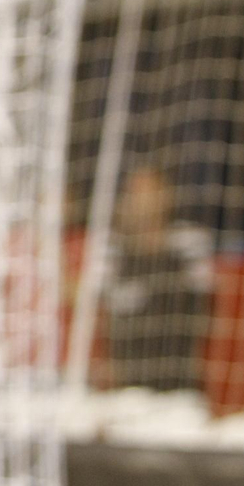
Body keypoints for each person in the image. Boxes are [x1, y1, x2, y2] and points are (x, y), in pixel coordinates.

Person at [103, 166, 215, 393]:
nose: (142, 201)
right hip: (127, 379)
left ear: (167, 196)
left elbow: (203, 295)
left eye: (149, 192)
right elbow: (100, 302)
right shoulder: (111, 246)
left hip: (181, 375)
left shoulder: (190, 239)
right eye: (134, 193)